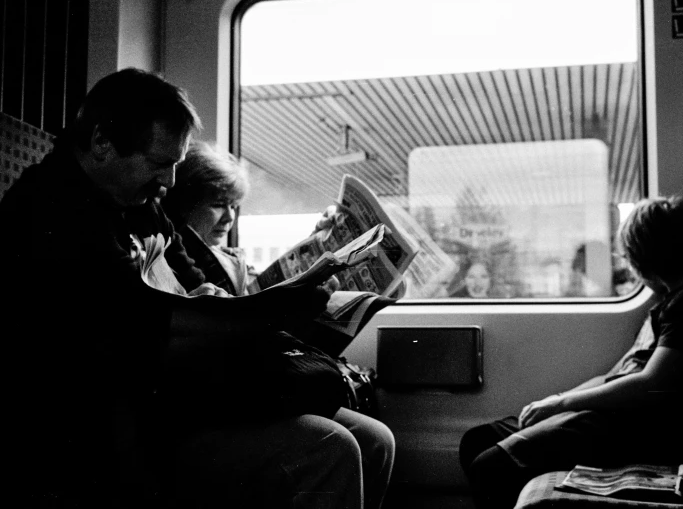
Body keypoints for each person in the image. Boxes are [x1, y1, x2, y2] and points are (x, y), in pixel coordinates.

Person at [0, 68, 384, 509]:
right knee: (331, 449)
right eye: (160, 164)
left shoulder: (138, 203)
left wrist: (232, 297)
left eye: (177, 165)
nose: (170, 184)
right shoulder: (50, 215)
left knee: (373, 441)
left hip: (173, 392)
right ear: (102, 143)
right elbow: (150, 325)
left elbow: (194, 282)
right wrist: (272, 311)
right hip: (111, 420)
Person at [458, 196, 683, 509]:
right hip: (612, 417)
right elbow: (614, 377)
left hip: (635, 430)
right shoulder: (672, 302)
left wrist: (563, 404)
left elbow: (650, 384)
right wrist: (555, 402)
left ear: (647, 259)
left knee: (488, 468)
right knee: (476, 440)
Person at [162, 139, 394, 509]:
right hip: (221, 392)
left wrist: (317, 248)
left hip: (256, 373)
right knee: (336, 445)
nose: (229, 218)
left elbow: (263, 291)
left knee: (378, 439)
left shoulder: (230, 260)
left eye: (234, 206)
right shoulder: (178, 258)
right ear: (184, 202)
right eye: (217, 204)